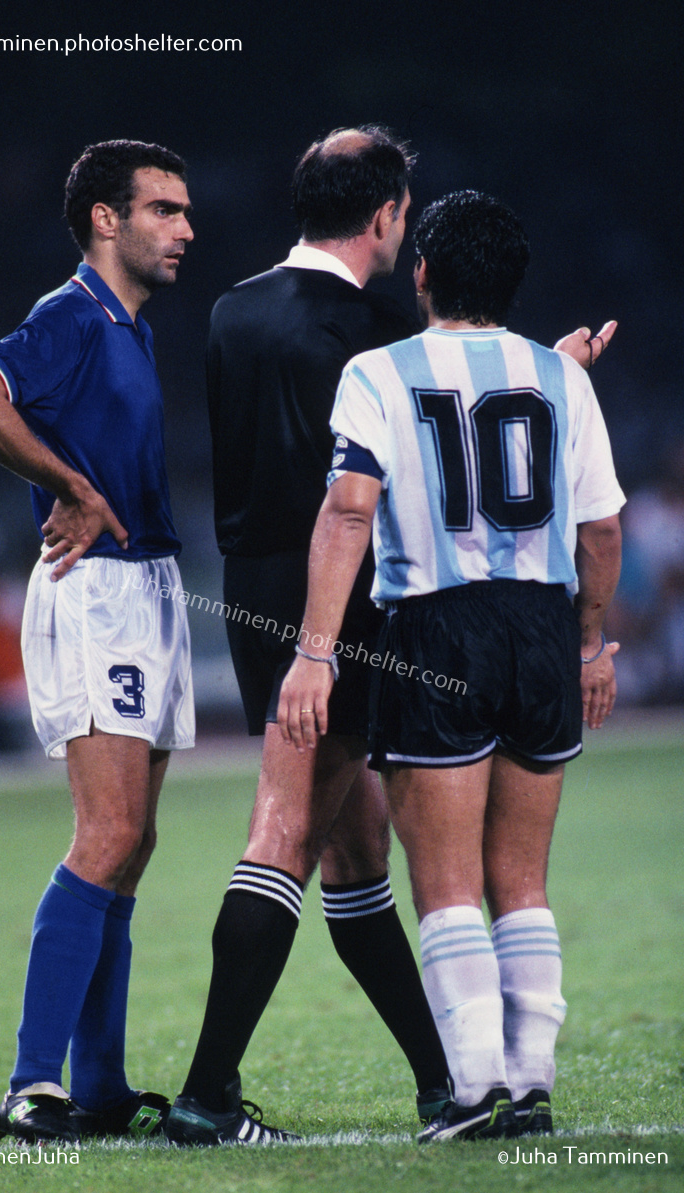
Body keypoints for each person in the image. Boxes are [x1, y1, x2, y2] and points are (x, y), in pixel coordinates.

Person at [164, 130, 613, 1147]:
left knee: (351, 851)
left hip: (253, 594)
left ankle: (437, 1077)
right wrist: (557, 376)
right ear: (384, 219)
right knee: (290, 832)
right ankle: (207, 1090)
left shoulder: (231, 311)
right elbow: (415, 456)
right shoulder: (370, 331)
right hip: (363, 606)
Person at [278, 190, 624, 1143]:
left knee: (446, 885)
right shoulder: (562, 377)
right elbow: (600, 530)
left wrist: (314, 652)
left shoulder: (377, 373)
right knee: (523, 880)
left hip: (435, 629)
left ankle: (473, 1096)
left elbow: (350, 510)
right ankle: (533, 1087)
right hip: (542, 629)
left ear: (422, 273)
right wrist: (591, 644)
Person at [0, 140, 195, 1144]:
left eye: (184, 211)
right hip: (96, 593)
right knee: (107, 833)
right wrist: (74, 487)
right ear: (104, 218)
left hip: (152, 587)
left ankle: (98, 1081)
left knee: (133, 844)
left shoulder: (128, 327)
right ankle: (30, 1081)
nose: (185, 228)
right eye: (164, 210)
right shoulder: (72, 316)